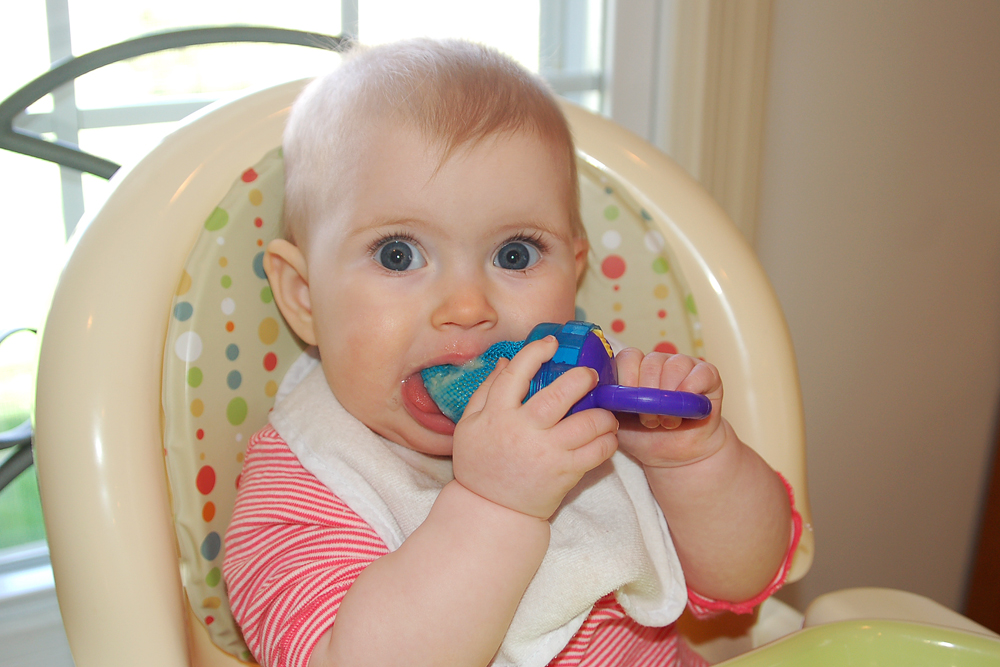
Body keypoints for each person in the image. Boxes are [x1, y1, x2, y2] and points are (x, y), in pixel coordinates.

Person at [223, 38, 800, 667]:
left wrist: (691, 463)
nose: (469, 307)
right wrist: (495, 506)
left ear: (573, 272)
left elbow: (746, 581)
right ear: (304, 295)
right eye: (398, 255)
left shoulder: (593, 397)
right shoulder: (309, 484)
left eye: (515, 255)